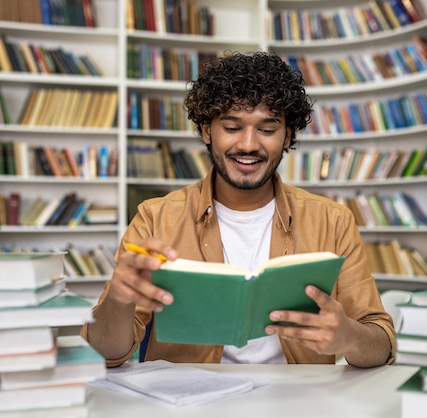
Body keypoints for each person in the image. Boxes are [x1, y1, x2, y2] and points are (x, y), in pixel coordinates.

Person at [81, 51, 395, 367]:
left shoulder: (332, 221)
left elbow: (380, 344)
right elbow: (105, 354)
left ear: (287, 135)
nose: (248, 144)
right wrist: (118, 301)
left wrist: (348, 336)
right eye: (232, 127)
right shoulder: (155, 217)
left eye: (267, 129)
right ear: (207, 131)